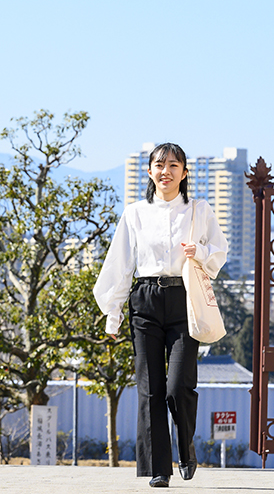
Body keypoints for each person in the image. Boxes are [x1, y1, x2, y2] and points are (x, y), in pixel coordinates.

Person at [93, 143, 228, 488]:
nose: (165, 171)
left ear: (184, 172)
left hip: (185, 300)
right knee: (150, 390)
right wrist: (113, 314)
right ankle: (158, 468)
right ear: (149, 171)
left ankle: (186, 450)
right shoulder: (135, 213)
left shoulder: (199, 210)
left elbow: (220, 251)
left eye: (173, 165)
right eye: (159, 165)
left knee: (177, 387)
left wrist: (199, 251)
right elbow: (120, 266)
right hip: (146, 300)